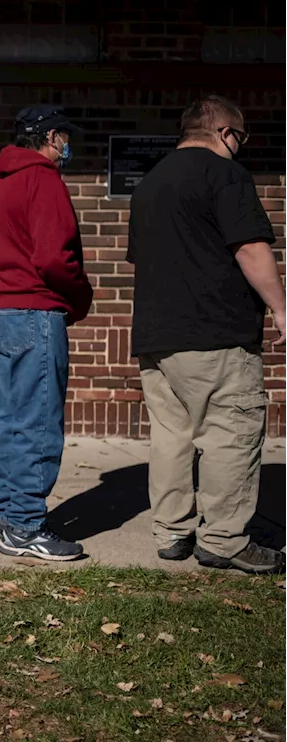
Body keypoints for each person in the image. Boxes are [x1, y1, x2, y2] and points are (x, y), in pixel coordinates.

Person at [128, 95, 285, 574]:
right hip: (215, 333)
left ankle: (173, 531)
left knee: (171, 436)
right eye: (241, 138)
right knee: (231, 433)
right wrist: (281, 307)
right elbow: (250, 248)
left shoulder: (149, 184)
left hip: (157, 337)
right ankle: (224, 540)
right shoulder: (224, 174)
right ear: (224, 132)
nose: (240, 148)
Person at [0, 105, 93, 561]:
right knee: (38, 421)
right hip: (35, 310)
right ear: (48, 137)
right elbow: (53, 258)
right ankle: (24, 525)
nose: (67, 145)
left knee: (7, 422)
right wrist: (80, 297)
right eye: (64, 136)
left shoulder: (0, 184)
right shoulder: (43, 180)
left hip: (2, 311)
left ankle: (3, 517)